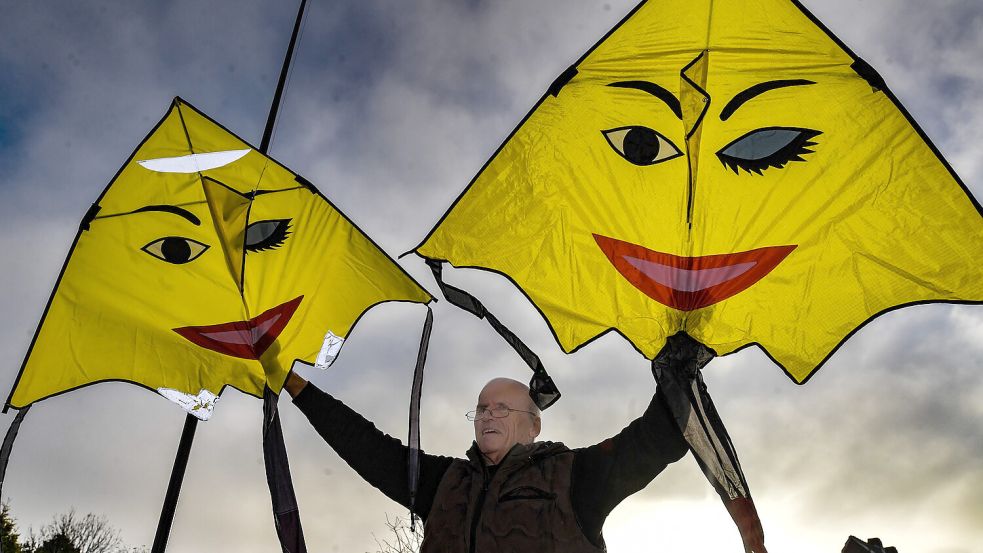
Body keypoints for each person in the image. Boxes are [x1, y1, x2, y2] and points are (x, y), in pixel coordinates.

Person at [284, 370, 687, 552]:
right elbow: (369, 449)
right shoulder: (445, 481)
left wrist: (676, 373)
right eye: (481, 408)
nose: (488, 414)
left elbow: (653, 441)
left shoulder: (575, 476)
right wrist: (300, 389)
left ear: (534, 425)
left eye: (501, 408)